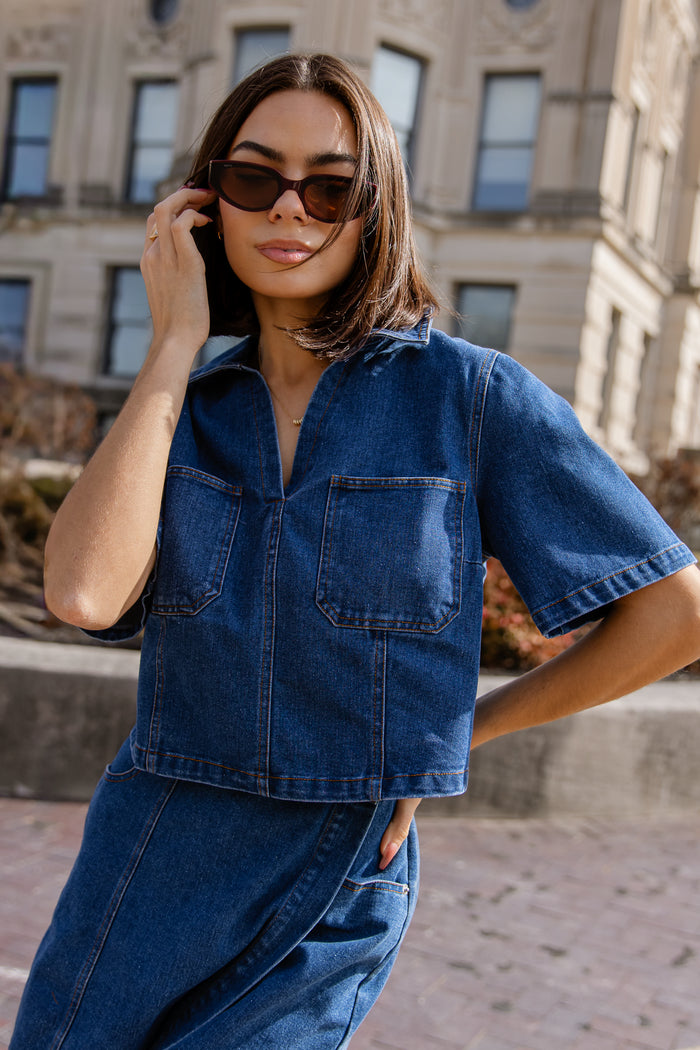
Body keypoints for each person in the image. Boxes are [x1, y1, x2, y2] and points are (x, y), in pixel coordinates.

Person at [10, 52, 700, 1050]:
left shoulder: (471, 398)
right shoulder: (176, 412)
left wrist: (460, 734)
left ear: (375, 209)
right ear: (207, 204)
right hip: (149, 855)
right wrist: (170, 346)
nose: (290, 208)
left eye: (330, 186)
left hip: (340, 874)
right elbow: (82, 594)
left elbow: (674, 614)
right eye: (254, 179)